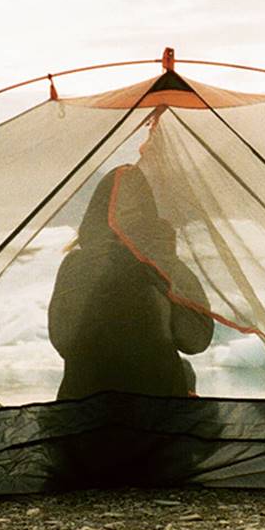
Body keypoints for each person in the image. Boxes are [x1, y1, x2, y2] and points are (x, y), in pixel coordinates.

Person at [48, 165, 214, 400]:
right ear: (149, 212)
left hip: (80, 411)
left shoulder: (75, 264)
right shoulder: (161, 264)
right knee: (186, 374)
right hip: (156, 414)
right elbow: (196, 339)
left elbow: (63, 340)